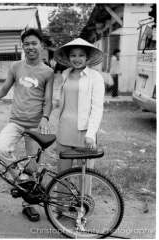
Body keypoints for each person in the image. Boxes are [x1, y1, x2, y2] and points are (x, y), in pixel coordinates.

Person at [0, 28, 54, 222]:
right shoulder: (16, 67)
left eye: (34, 43)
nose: (30, 47)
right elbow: (4, 90)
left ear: (41, 46)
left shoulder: (48, 72)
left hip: (35, 126)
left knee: (33, 166)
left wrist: (45, 117)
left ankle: (28, 204)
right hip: (16, 122)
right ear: (23, 46)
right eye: (26, 44)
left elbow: (48, 100)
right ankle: (21, 181)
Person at [53, 38, 105, 195]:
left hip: (84, 133)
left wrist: (91, 134)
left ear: (87, 58)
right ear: (68, 58)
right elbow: (60, 101)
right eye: (73, 55)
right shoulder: (65, 74)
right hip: (64, 130)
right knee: (62, 173)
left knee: (85, 175)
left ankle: (83, 208)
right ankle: (61, 207)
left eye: (81, 55)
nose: (77, 59)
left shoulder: (95, 77)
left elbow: (97, 107)